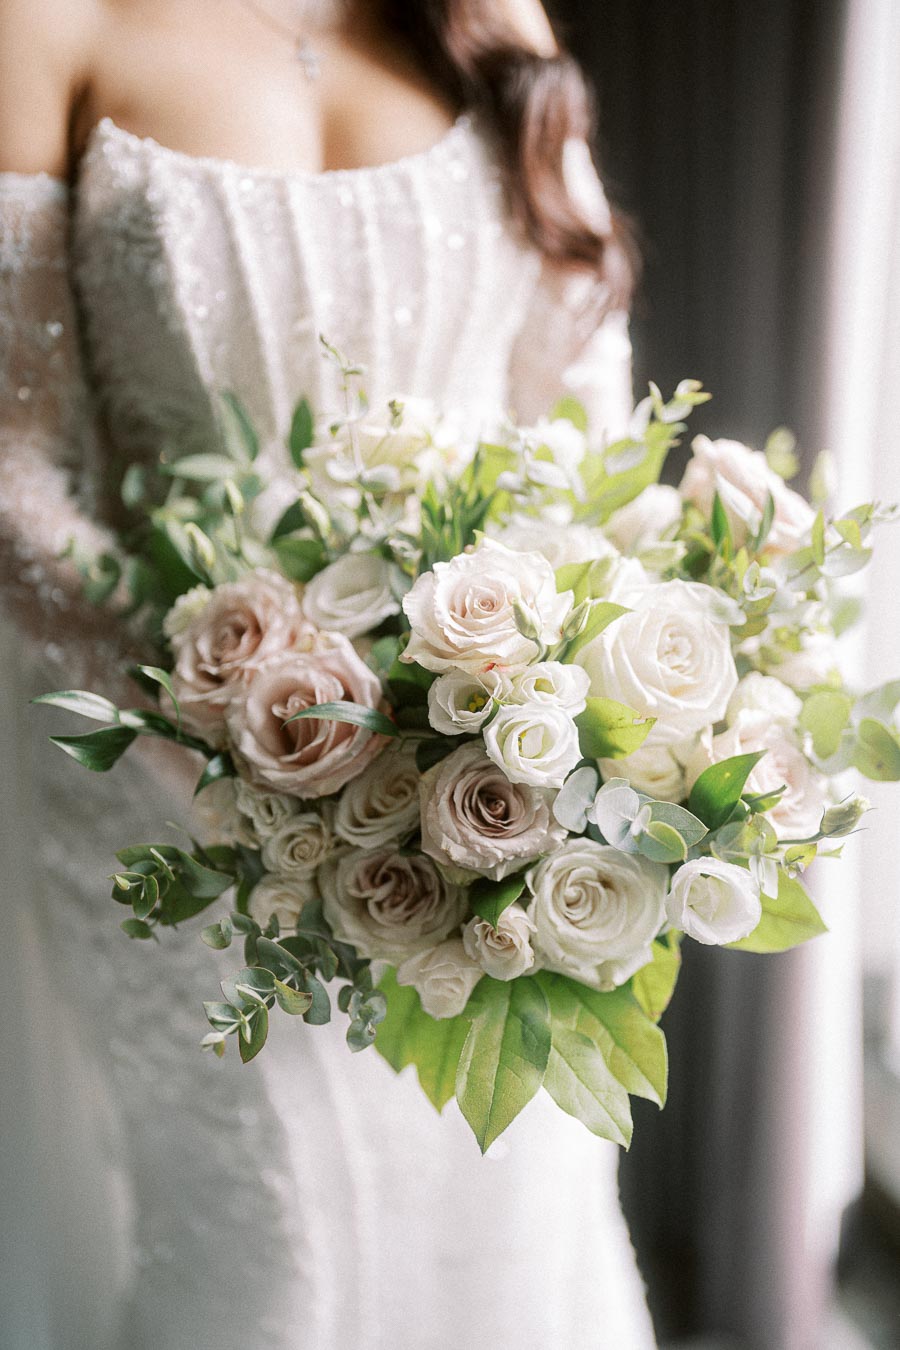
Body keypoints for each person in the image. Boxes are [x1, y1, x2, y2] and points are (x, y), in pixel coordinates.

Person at [0, 1, 652, 1345]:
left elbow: (580, 386)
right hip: (181, 796)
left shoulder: (482, 13)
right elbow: (14, 476)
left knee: (519, 1202)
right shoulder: (42, 24)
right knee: (275, 1248)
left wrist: (532, 692)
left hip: (498, 788)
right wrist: (252, 725)